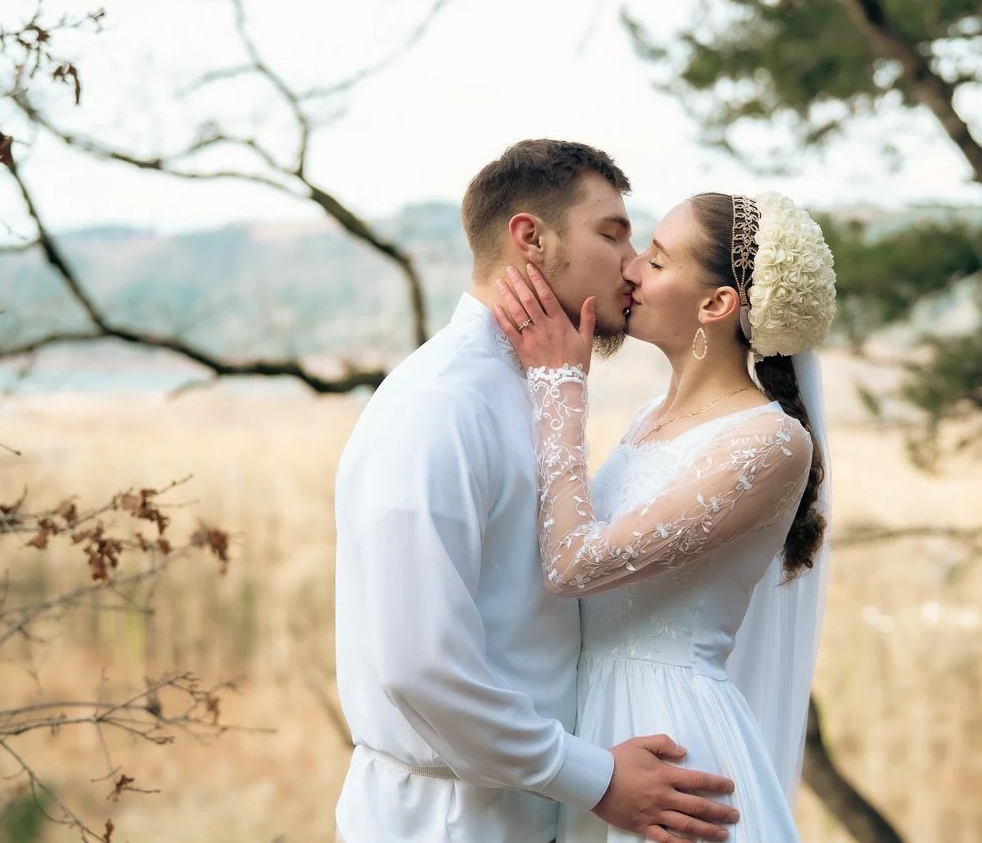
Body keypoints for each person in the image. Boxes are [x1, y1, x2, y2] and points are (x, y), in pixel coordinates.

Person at [333, 140, 742, 843]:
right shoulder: (440, 405)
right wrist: (595, 776)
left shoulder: (540, 388)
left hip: (542, 815)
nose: (631, 263)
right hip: (445, 821)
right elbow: (417, 665)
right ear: (531, 237)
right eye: (611, 233)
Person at [491, 189, 836, 842]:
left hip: (674, 744)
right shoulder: (651, 418)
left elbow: (574, 562)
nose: (630, 269)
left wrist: (561, 382)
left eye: (657, 259)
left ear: (716, 304)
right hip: (598, 738)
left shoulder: (769, 442)